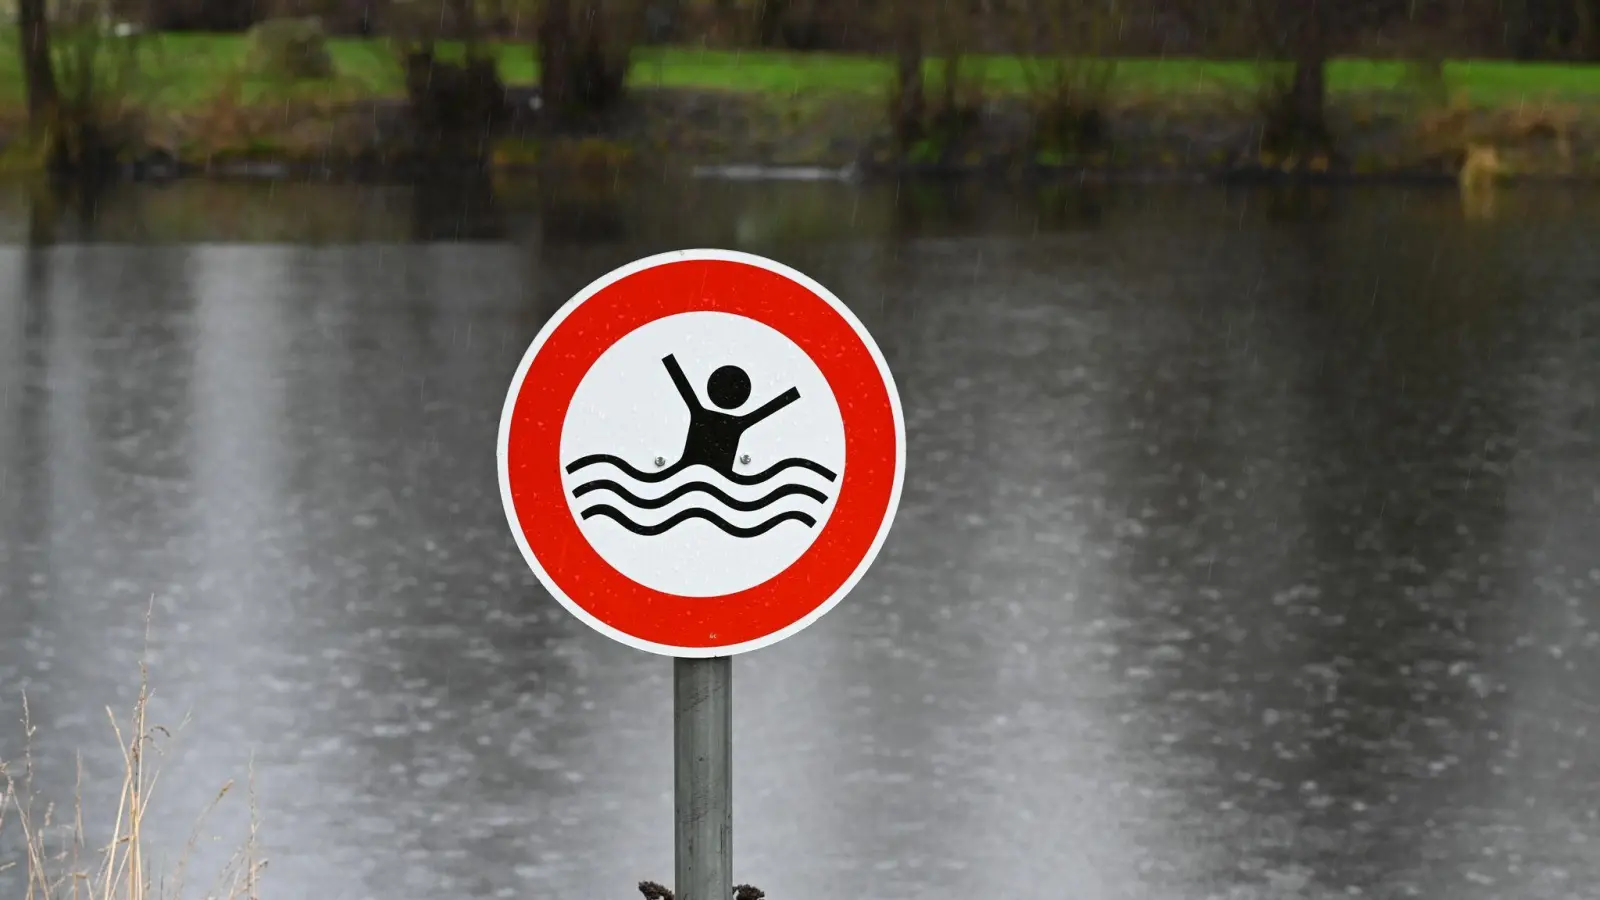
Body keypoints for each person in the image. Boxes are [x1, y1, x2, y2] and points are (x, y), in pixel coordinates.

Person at [662, 354, 799, 475]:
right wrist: (793, 393)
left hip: (684, 476)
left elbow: (682, 385)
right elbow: (769, 408)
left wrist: (668, 360)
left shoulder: (703, 414)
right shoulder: (736, 423)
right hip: (721, 484)